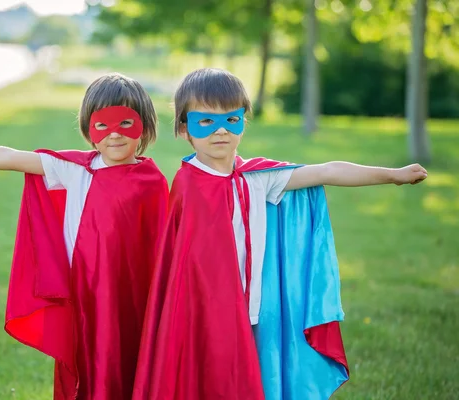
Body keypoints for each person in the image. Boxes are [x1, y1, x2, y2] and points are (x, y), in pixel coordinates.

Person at [133, 68, 427, 400]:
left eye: (231, 120)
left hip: (256, 310)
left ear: (243, 121)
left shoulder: (259, 177)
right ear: (185, 128)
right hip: (203, 316)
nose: (220, 132)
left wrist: (393, 175)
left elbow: (326, 171)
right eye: (206, 121)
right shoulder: (187, 184)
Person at [0, 73, 169, 400]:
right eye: (102, 125)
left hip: (137, 298)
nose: (114, 135)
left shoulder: (153, 181)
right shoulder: (76, 170)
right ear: (89, 129)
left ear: (144, 126)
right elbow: (7, 156)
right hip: (89, 296)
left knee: (134, 366)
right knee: (94, 366)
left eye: (125, 123)